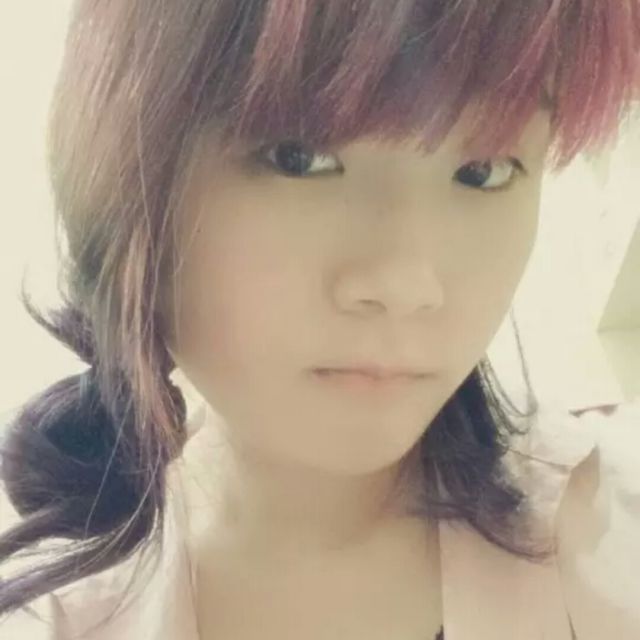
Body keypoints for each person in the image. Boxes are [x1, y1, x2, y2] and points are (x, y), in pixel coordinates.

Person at [0, 1, 639, 638]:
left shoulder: (612, 529)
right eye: (297, 158)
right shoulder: (54, 618)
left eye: (483, 171)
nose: (408, 285)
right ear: (124, 184)